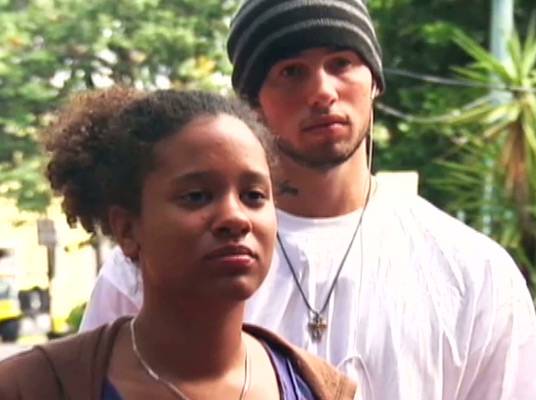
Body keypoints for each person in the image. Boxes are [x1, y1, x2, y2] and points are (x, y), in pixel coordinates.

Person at [80, 1, 536, 399]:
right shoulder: (152, 264)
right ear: (251, 101)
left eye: (341, 63)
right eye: (290, 71)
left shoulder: (473, 273)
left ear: (375, 81)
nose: (321, 91)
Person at [0, 87, 357, 400]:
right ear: (127, 229)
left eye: (253, 195)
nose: (235, 218)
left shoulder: (317, 388)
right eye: (197, 196)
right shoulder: (33, 387)